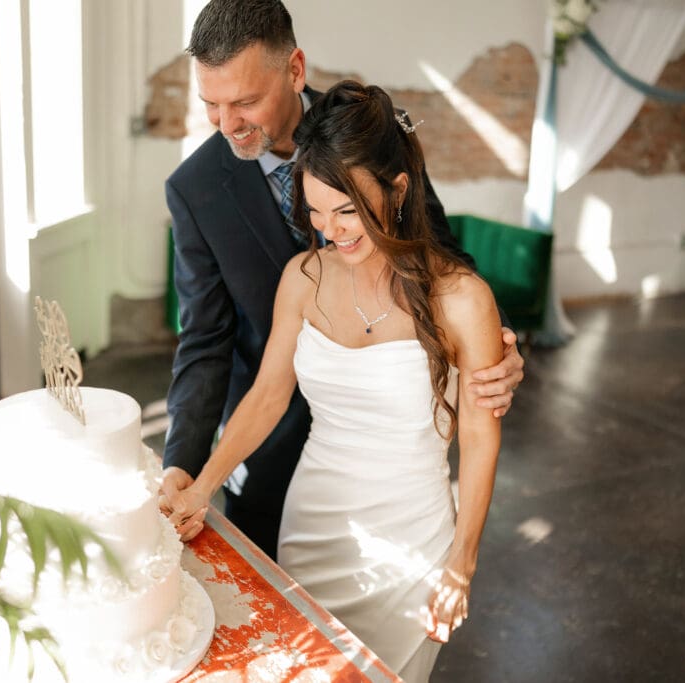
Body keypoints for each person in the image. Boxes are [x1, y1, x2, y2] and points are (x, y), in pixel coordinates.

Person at [166, 80, 502, 682]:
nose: (331, 230)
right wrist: (203, 488)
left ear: (399, 190)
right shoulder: (304, 277)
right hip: (313, 526)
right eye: (317, 212)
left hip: (412, 542)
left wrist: (462, 563)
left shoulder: (462, 299)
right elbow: (268, 394)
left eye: (348, 211)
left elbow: (478, 438)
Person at [162, 0, 522, 559]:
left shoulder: (374, 134)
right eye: (211, 104)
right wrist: (184, 465)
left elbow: (440, 255)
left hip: (393, 433)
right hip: (266, 447)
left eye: (245, 102)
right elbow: (205, 339)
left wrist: (493, 347)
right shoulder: (196, 188)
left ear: (295, 69)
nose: (227, 124)